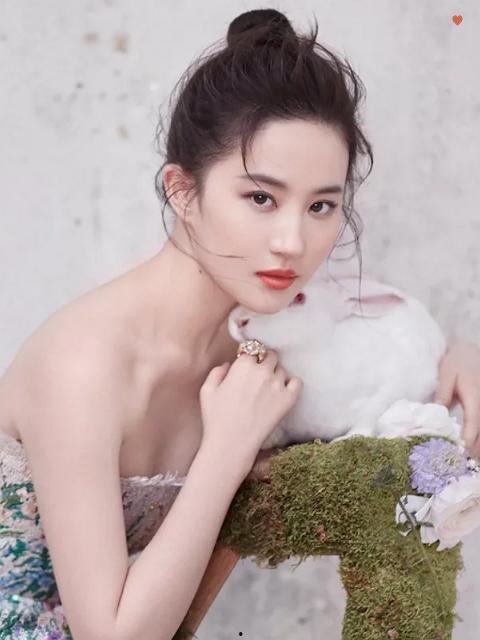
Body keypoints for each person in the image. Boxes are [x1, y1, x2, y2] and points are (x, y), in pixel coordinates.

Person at [1, 7, 479, 640]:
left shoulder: (260, 345)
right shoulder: (85, 365)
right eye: (260, 198)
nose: (292, 242)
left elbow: (372, 355)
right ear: (182, 191)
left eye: (321, 206)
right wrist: (225, 451)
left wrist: (454, 357)